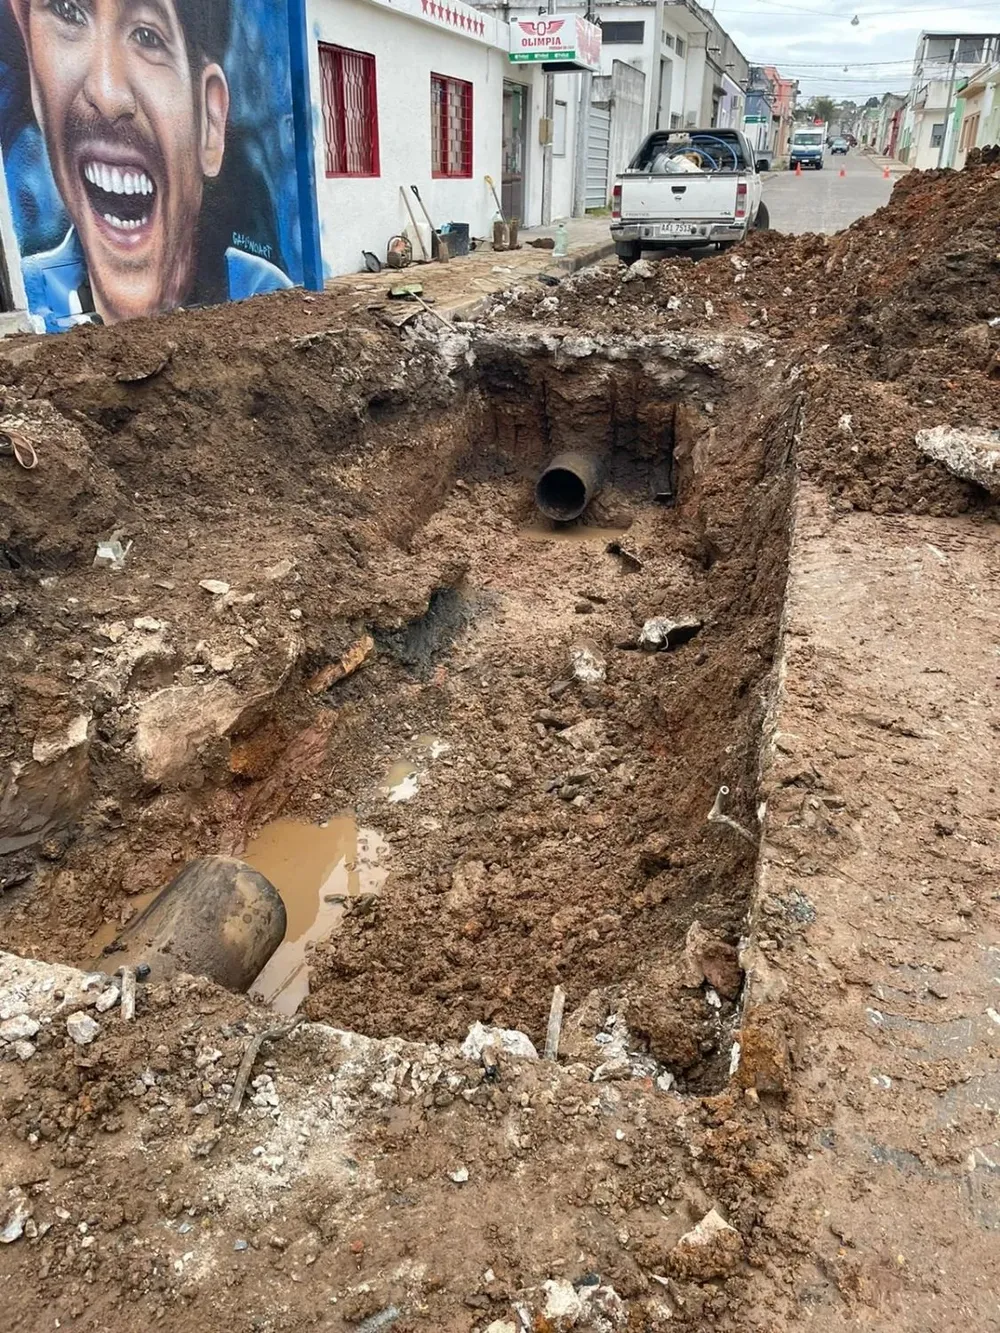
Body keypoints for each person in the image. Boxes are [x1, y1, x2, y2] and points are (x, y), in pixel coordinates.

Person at [8, 0, 291, 330]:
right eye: (69, 12)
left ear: (210, 124)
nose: (107, 94)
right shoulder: (27, 299)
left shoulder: (262, 295)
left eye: (147, 36)